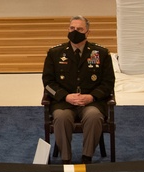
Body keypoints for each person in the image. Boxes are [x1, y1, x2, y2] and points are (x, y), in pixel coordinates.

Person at [42, 16, 115, 163]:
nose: (75, 32)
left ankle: (86, 158)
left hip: (91, 102)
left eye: (80, 29)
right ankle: (66, 159)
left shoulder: (100, 53)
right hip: (64, 102)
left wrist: (91, 97)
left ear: (88, 32)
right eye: (72, 28)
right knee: (61, 118)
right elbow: (48, 82)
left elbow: (108, 82)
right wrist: (65, 96)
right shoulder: (55, 53)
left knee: (94, 116)